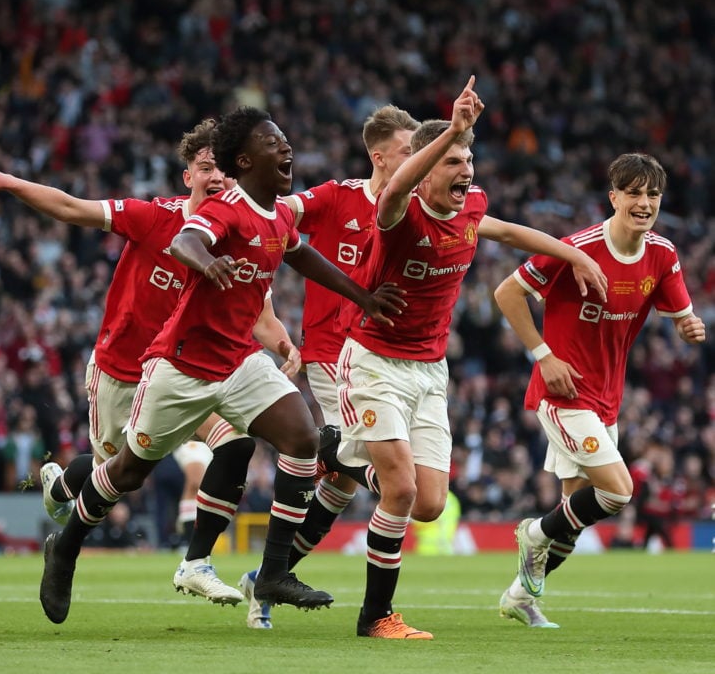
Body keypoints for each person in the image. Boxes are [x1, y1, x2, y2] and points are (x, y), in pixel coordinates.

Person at [36, 105, 405, 624]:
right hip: (181, 367)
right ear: (245, 159)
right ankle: (67, 545)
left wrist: (362, 296)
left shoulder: (277, 213)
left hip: (239, 362)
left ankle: (273, 570)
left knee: (302, 438)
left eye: (285, 141)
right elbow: (186, 240)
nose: (287, 149)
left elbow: (300, 255)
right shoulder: (225, 208)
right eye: (274, 142)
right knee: (126, 471)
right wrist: (208, 263)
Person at [0, 119, 301, 605]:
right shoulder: (155, 218)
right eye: (205, 169)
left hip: (201, 367)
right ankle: (61, 495)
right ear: (187, 177)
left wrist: (284, 344)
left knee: (237, 443)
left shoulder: (239, 226)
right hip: (126, 369)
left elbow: (259, 310)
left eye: (223, 170)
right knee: (115, 471)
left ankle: (195, 562)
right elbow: (72, 207)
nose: (216, 178)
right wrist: (9, 182)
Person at [329, 77, 608, 639]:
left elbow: (504, 230)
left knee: (428, 504)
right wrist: (451, 129)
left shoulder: (471, 208)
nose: (467, 169)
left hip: (430, 371)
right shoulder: (399, 214)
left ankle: (337, 457)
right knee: (401, 490)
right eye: (455, 160)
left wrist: (572, 255)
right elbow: (393, 191)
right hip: (374, 361)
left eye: (470, 158)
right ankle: (375, 617)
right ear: (428, 167)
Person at [497, 153, 704, 628]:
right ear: (613, 196)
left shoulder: (663, 254)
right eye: (633, 192)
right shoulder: (575, 249)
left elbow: (682, 316)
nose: (644, 203)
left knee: (572, 517)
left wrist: (690, 327)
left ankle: (520, 596)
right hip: (563, 393)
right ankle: (530, 535)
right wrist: (543, 355)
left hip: (607, 399)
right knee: (618, 491)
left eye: (652, 195)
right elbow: (506, 292)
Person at [239, 104, 419, 630]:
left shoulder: (413, 207)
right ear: (379, 155)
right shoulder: (336, 197)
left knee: (338, 488)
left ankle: (266, 577)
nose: (418, 160)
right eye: (410, 151)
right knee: (375, 476)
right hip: (330, 352)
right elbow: (278, 211)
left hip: (382, 356)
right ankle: (333, 457)